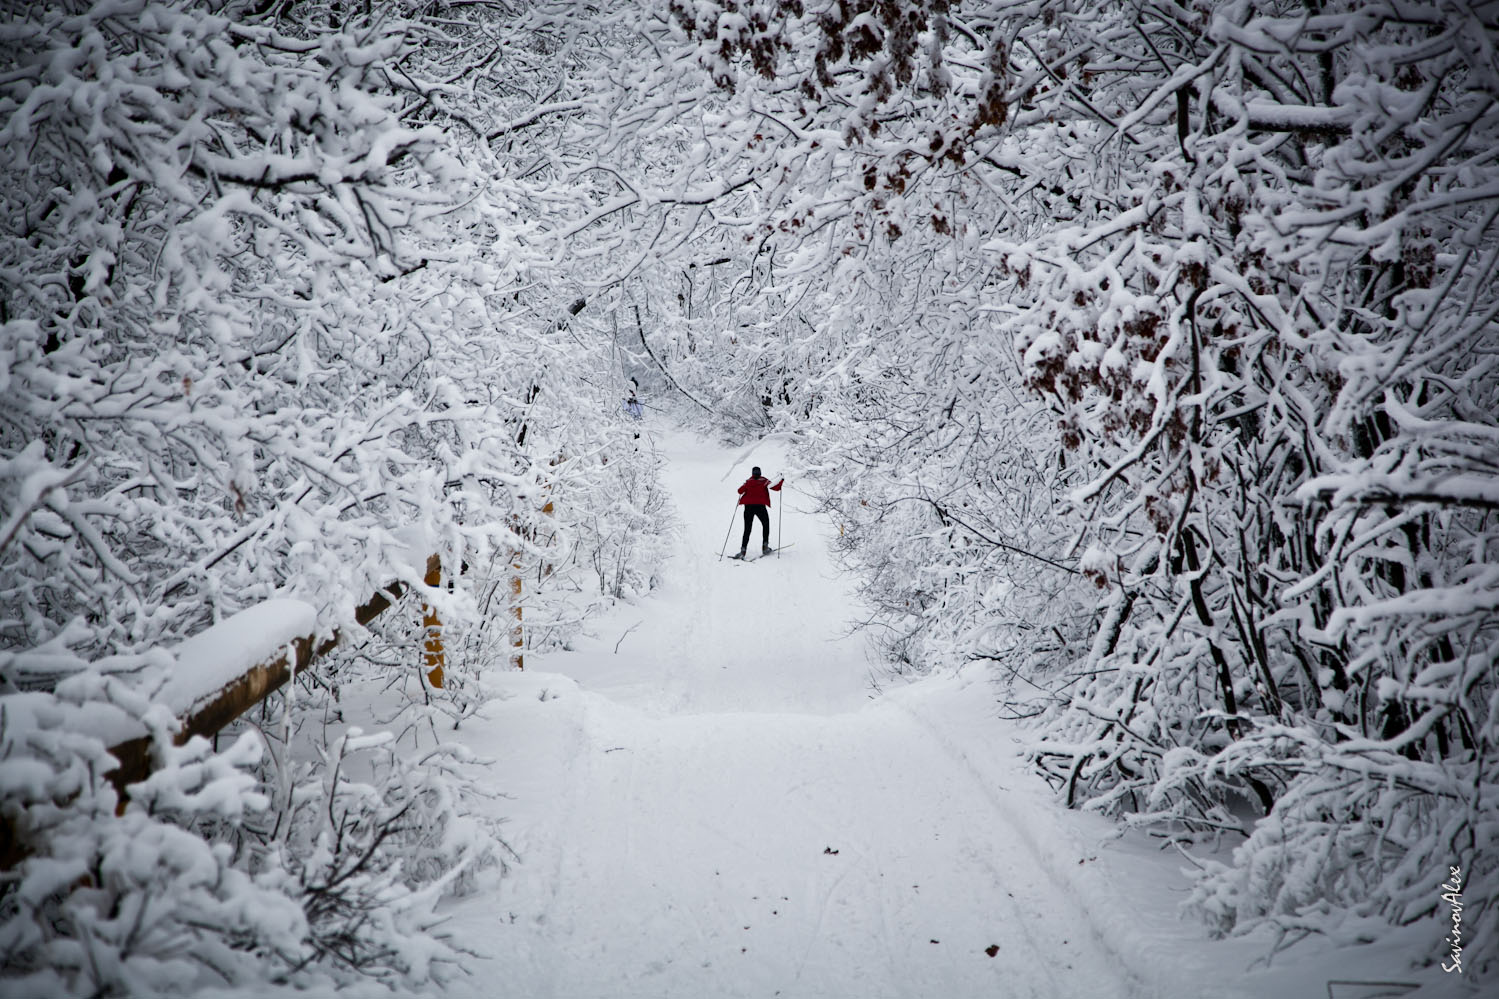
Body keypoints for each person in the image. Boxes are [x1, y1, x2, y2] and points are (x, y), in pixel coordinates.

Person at [731, 466, 783, 559]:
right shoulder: (764, 481)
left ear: (752, 473)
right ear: (760, 473)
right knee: (766, 524)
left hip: (748, 508)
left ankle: (743, 551)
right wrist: (781, 479)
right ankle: (765, 547)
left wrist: (745, 485)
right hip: (760, 507)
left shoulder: (748, 481)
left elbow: (739, 491)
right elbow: (776, 488)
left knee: (747, 529)